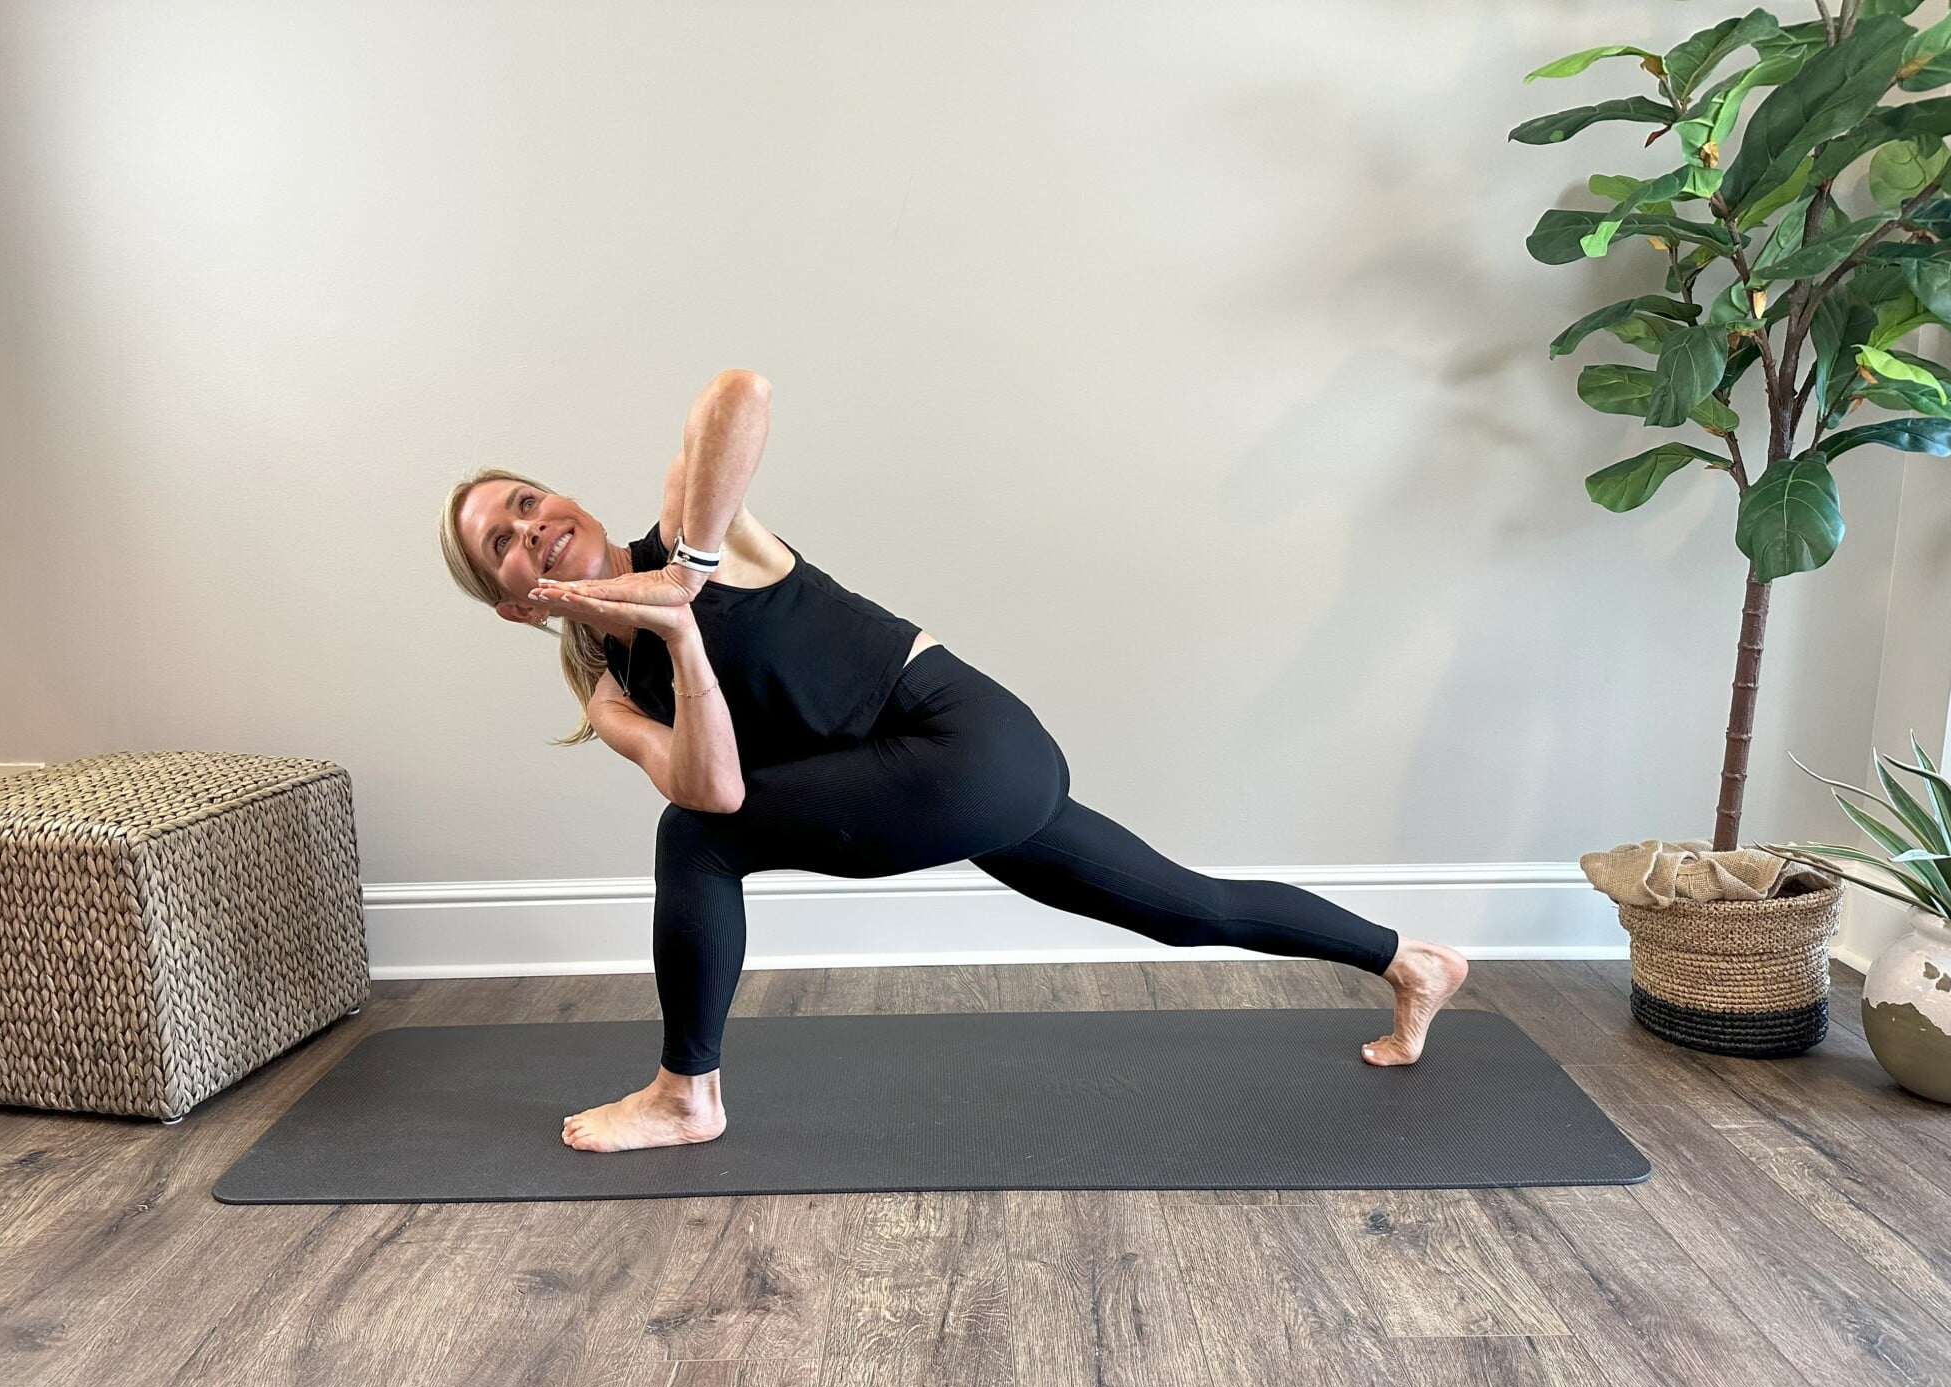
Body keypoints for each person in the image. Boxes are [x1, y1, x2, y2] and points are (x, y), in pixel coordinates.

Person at [439, 370, 1469, 1153]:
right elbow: (715, 790)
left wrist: (689, 577)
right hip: (939, 781)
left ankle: (683, 1093)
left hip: (960, 742)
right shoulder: (610, 694)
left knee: (694, 843)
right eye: (506, 542)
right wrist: (678, 633)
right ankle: (1410, 960)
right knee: (1183, 905)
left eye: (528, 501)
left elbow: (737, 392)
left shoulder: (691, 525)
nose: (534, 526)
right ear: (514, 602)